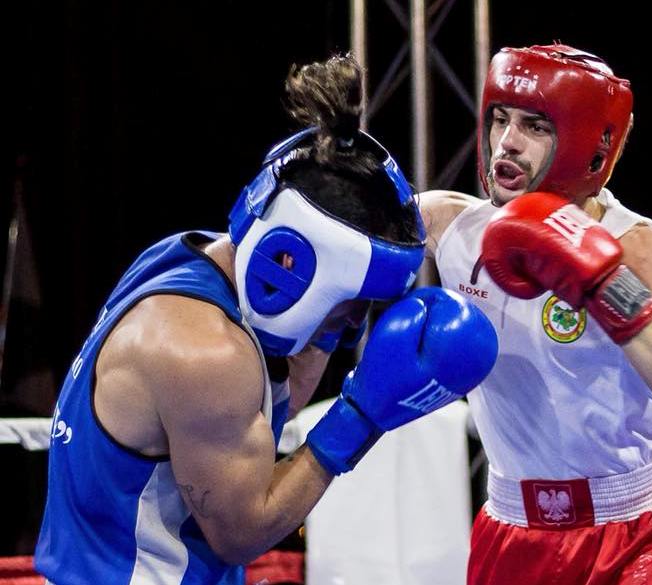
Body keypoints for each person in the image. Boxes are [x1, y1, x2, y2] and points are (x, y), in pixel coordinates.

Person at [34, 54, 498, 585]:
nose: (356, 319)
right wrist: (360, 415)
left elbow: (260, 416)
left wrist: (325, 330)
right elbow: (243, 533)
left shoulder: (188, 261)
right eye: (352, 299)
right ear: (291, 260)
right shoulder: (203, 352)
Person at [419, 44, 652, 584]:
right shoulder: (450, 227)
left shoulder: (643, 248)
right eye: (499, 119)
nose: (506, 144)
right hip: (508, 529)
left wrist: (603, 283)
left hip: (637, 536)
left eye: (535, 127)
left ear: (592, 143)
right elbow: (326, 245)